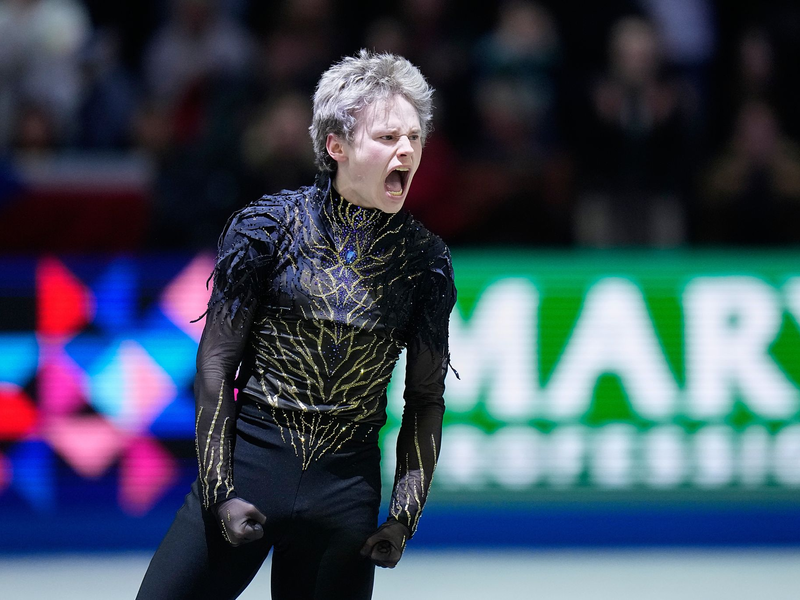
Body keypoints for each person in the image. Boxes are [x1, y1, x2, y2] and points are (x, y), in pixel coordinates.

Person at [136, 49, 457, 600]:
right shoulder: (267, 229)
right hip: (247, 477)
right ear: (336, 146)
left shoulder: (424, 262)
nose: (406, 150)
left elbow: (426, 399)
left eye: (414, 137)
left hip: (344, 503)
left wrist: (404, 516)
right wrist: (219, 491)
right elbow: (215, 366)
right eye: (387, 137)